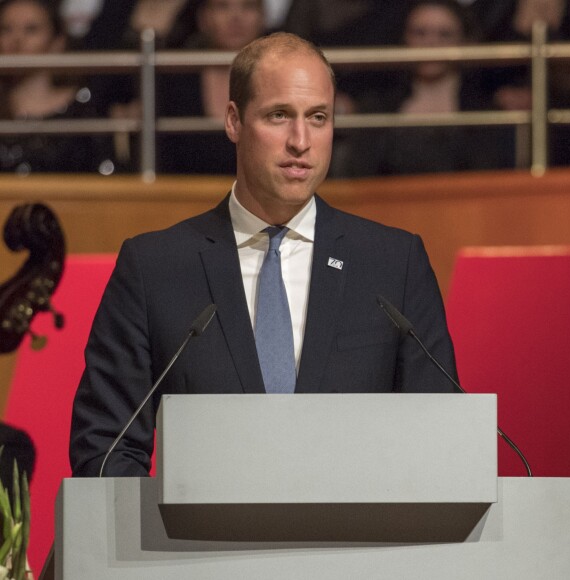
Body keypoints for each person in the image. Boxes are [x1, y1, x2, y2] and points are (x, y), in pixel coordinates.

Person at [69, 32, 458, 478]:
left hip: (353, 542)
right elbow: (106, 446)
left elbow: (437, 437)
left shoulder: (393, 263)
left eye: (317, 117)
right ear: (233, 121)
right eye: (278, 115)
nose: (300, 141)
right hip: (197, 543)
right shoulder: (154, 268)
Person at [339, 0, 514, 176]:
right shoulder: (376, 106)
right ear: (405, 38)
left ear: (463, 42)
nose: (431, 43)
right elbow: (360, 175)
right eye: (420, 33)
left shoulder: (485, 109)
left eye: (444, 34)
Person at [0, 0, 112, 174]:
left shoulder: (83, 107)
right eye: (6, 29)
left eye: (31, 29)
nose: (17, 40)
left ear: (57, 42)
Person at [157, 0, 265, 175]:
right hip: (188, 194)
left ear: (263, 17)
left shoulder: (280, 82)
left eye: (248, 6)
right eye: (222, 7)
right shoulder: (175, 82)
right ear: (204, 18)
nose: (236, 18)